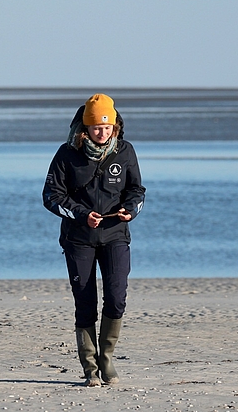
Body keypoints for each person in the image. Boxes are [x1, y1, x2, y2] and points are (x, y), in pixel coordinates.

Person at [42, 94, 146, 387]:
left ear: (115, 127)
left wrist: (130, 210)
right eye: (96, 128)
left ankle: (107, 359)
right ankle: (89, 368)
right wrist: (81, 214)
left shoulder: (125, 152)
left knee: (116, 297)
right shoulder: (66, 154)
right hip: (78, 239)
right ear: (85, 129)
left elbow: (137, 190)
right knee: (85, 302)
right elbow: (51, 197)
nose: (102, 133)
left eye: (108, 127)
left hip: (115, 236)